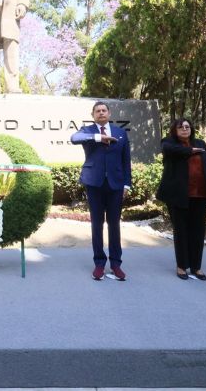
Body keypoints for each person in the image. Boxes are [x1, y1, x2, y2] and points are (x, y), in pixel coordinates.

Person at [70, 101, 132, 281]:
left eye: (104, 110)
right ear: (93, 115)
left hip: (116, 185)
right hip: (94, 184)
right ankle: (99, 264)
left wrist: (126, 184)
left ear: (109, 113)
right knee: (96, 224)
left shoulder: (120, 133)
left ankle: (115, 264)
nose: (101, 113)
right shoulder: (87, 131)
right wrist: (98, 138)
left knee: (114, 225)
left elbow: (125, 160)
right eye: (98, 111)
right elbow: (74, 138)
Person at [156, 119, 206, 281]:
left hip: (201, 194)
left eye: (187, 127)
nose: (185, 129)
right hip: (178, 195)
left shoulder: (201, 143)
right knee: (181, 231)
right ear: (175, 130)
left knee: (198, 232)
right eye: (181, 127)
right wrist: (191, 151)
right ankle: (181, 266)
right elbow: (170, 150)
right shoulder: (169, 142)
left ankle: (196, 267)